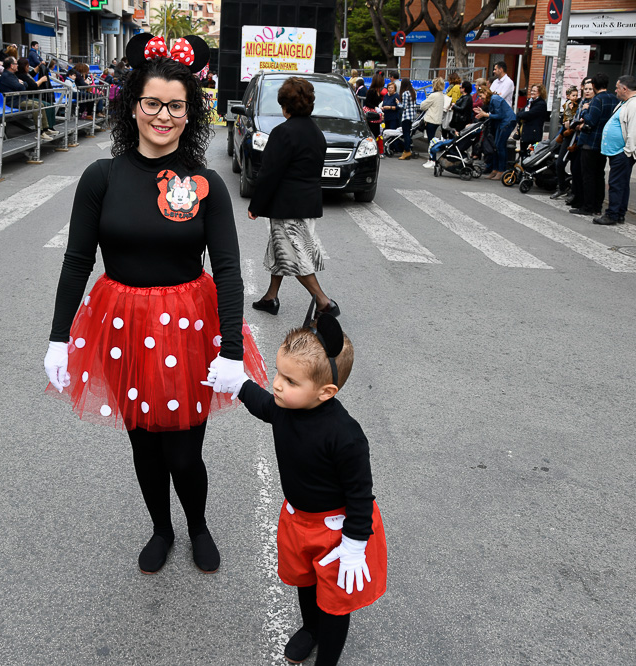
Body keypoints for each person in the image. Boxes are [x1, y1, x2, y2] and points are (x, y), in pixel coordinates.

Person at [43, 32, 269, 576]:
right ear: (133, 106)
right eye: (152, 103)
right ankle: (161, 529)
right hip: (121, 327)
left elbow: (230, 271)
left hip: (190, 329)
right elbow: (77, 261)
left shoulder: (205, 184)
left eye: (175, 105)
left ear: (190, 112)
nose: (162, 116)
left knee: (185, 453)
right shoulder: (101, 177)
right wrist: (57, 338)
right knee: (144, 448)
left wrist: (233, 349)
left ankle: (197, 525)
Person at [207, 316, 387, 666]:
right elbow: (262, 404)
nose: (276, 385)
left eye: (289, 380)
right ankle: (310, 629)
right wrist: (239, 382)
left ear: (326, 392)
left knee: (334, 602)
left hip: (337, 533)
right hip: (298, 519)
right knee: (305, 582)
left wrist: (354, 545)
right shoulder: (286, 407)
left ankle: (327, 658)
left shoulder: (345, 436)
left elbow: (361, 495)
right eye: (277, 373)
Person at [247, 77, 337, 319]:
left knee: (295, 257)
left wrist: (256, 205)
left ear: (285, 105)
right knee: (280, 249)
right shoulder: (316, 132)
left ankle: (323, 301)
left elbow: (269, 173)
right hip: (307, 203)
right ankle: (270, 297)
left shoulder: (282, 132)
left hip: (287, 205)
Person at [593, 75, 636, 225]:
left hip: (622, 153)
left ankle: (612, 214)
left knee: (616, 184)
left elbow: (634, 132)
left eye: (617, 88)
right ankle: (619, 213)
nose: (615, 90)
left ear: (625, 89)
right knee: (621, 183)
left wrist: (627, 151)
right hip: (618, 152)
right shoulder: (627, 102)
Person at [572, 72, 617, 217]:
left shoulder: (597, 100)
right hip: (604, 142)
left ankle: (588, 206)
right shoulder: (613, 98)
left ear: (595, 86)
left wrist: (584, 111)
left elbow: (591, 121)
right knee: (599, 175)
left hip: (591, 142)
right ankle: (598, 206)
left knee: (588, 176)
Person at [474, 87, 516, 180]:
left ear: (485, 93)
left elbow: (499, 115)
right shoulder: (493, 99)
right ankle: (496, 170)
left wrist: (485, 114)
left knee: (500, 146)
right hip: (503, 123)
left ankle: (501, 170)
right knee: (496, 146)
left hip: (507, 122)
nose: (480, 99)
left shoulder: (495, 99)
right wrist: (483, 113)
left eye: (481, 96)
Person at [14, 57, 59, 141]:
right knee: (44, 105)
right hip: (25, 98)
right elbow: (33, 85)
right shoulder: (20, 75)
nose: (28, 67)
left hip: (27, 97)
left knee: (49, 105)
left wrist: (38, 67)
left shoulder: (25, 74)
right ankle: (41, 131)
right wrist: (41, 80)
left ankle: (48, 128)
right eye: (27, 66)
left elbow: (32, 74)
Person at [564, 79, 593, 208]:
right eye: (585, 88)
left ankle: (582, 199)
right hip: (576, 139)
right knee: (575, 169)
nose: (587, 91)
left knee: (582, 172)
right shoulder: (581, 102)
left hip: (586, 141)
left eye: (590, 89)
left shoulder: (593, 103)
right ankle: (575, 195)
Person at [550, 84, 580, 198]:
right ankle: (562, 186)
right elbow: (566, 120)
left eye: (577, 95)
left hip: (574, 137)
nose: (575, 97)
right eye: (573, 95)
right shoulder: (568, 105)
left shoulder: (578, 104)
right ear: (567, 96)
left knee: (573, 166)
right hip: (567, 135)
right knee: (559, 163)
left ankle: (570, 189)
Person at [419, 77, 446, 165]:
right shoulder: (442, 95)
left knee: (431, 141)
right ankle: (432, 158)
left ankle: (432, 159)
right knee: (432, 140)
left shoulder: (433, 95)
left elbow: (422, 106)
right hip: (437, 120)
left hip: (431, 120)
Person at [515, 83, 548, 155]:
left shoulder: (541, 104)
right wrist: (520, 115)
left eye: (534, 91)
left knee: (531, 152)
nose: (532, 92)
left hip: (534, 136)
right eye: (531, 90)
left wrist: (520, 115)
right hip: (525, 134)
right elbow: (522, 113)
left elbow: (527, 114)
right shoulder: (530, 102)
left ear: (540, 92)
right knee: (523, 153)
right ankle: (524, 164)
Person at [362, 72, 385, 156]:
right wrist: (375, 108)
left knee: (376, 133)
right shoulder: (371, 91)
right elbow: (367, 102)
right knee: (373, 132)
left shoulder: (378, 91)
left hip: (376, 115)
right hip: (372, 116)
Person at [397, 78, 417, 160]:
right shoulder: (413, 92)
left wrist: (398, 103)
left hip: (406, 116)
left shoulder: (405, 93)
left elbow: (404, 107)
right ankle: (407, 151)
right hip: (412, 115)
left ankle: (406, 151)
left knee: (406, 134)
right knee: (408, 133)